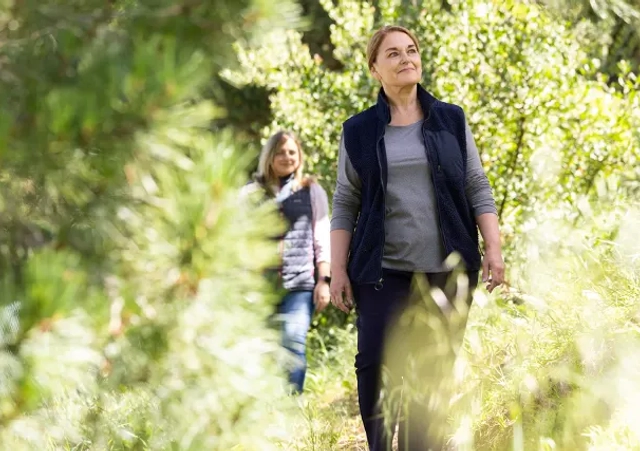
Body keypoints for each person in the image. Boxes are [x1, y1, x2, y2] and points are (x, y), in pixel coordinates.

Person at [329, 25, 505, 450]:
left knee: (434, 369)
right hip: (381, 271)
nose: (406, 58)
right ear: (374, 69)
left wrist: (494, 249)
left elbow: (476, 185)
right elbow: (345, 200)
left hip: (446, 270)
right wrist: (336, 269)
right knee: (373, 361)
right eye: (393, 54)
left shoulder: (450, 119)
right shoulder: (358, 130)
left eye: (411, 50)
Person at [242, 130, 331, 394]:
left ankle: (290, 410)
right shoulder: (249, 195)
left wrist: (324, 281)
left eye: (292, 152)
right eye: (280, 152)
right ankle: (263, 412)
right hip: (260, 286)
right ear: (269, 156)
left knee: (293, 342)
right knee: (259, 350)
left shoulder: (312, 191)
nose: (287, 157)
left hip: (300, 283)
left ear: (299, 156)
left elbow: (322, 239)